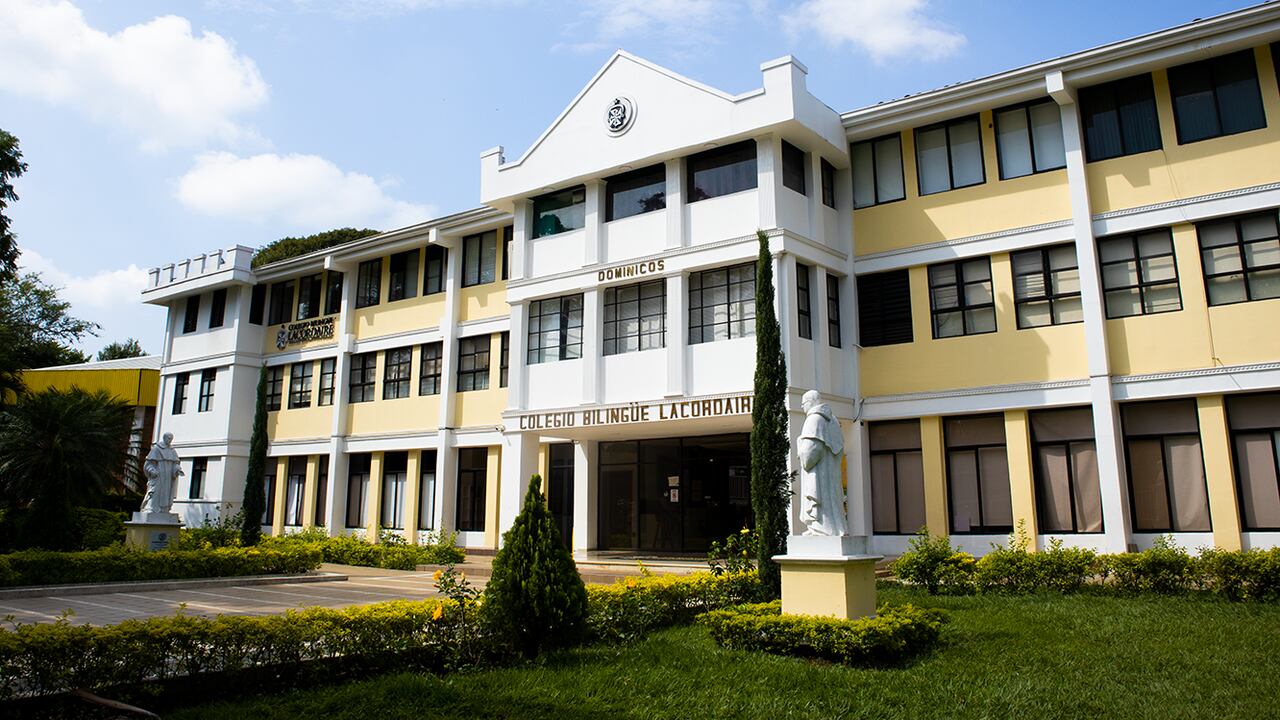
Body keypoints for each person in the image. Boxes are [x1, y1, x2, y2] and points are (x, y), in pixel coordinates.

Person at [798, 390, 848, 536]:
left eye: (804, 403)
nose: (802, 407)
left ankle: (820, 529)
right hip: (831, 474)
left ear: (811, 402)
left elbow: (809, 456)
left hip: (818, 475)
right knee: (832, 501)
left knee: (821, 500)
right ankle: (830, 529)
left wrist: (800, 448)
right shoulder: (832, 420)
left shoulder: (814, 420)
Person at [141, 432, 183, 515]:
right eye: (168, 438)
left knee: (167, 492)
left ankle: (164, 509)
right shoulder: (157, 449)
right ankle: (151, 507)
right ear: (164, 438)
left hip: (168, 477)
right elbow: (149, 464)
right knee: (155, 491)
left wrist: (177, 469)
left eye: (171, 439)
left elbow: (176, 463)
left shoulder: (172, 450)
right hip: (158, 475)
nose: (170, 440)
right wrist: (152, 470)